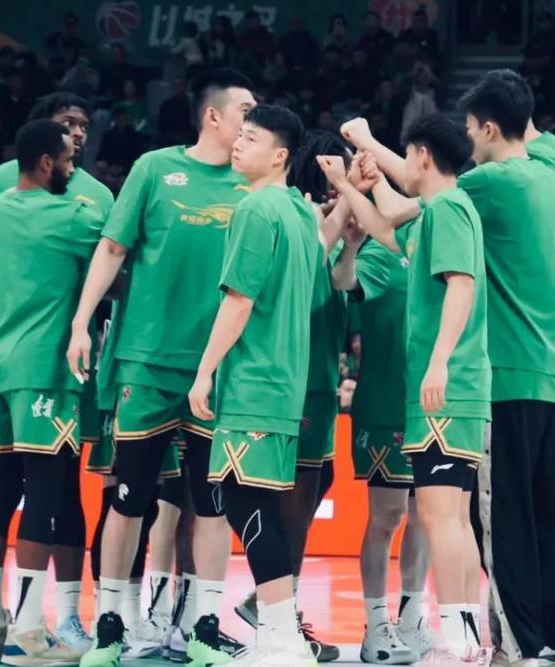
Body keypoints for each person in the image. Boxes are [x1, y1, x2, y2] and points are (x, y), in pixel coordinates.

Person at [341, 70, 555, 665]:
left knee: (502, 521)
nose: (469, 141)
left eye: (473, 129)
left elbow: (416, 195)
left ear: (491, 129)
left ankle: (515, 644)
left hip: (509, 372)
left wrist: (364, 143)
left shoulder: (487, 184)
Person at [66, 68, 256, 667]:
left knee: (211, 505)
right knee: (129, 497)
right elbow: (112, 248)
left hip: (217, 370)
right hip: (147, 363)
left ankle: (202, 627)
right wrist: (81, 322)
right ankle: (111, 625)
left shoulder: (254, 186)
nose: (253, 120)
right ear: (213, 116)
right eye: (246, 110)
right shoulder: (153, 169)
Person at [0, 92, 114, 661]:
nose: (72, 167)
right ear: (46, 162)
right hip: (48, 374)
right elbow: (117, 264)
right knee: (48, 493)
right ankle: (29, 628)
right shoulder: (74, 215)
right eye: (66, 160)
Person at [319, 112, 490, 664]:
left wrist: (438, 363)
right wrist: (350, 183)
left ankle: (456, 638)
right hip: (436, 395)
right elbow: (389, 222)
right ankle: (461, 636)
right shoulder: (438, 211)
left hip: (445, 388)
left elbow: (460, 284)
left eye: (408, 154)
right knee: (451, 519)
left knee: (439, 519)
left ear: (421, 156)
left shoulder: (447, 208)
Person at [188, 103, 319, 667]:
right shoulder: (298, 213)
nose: (238, 144)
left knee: (247, 507)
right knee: (256, 506)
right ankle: (281, 637)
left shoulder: (257, 209)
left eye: (251, 138)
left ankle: (282, 640)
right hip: (285, 381)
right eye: (238, 135)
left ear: (280, 155)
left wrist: (205, 370)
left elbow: (239, 300)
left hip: (254, 382)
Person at [233, 130, 350, 664]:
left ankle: (272, 607)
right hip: (292, 380)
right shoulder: (297, 217)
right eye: (336, 171)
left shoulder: (329, 226)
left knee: (316, 483)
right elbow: (315, 250)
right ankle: (279, 616)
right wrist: (348, 197)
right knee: (291, 501)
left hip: (320, 376)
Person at [329, 150, 433, 664]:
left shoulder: (438, 240)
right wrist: (350, 248)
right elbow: (343, 281)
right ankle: (376, 626)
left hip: (434, 404)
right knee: (388, 516)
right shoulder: (379, 251)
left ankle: (413, 617)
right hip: (386, 405)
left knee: (429, 515)